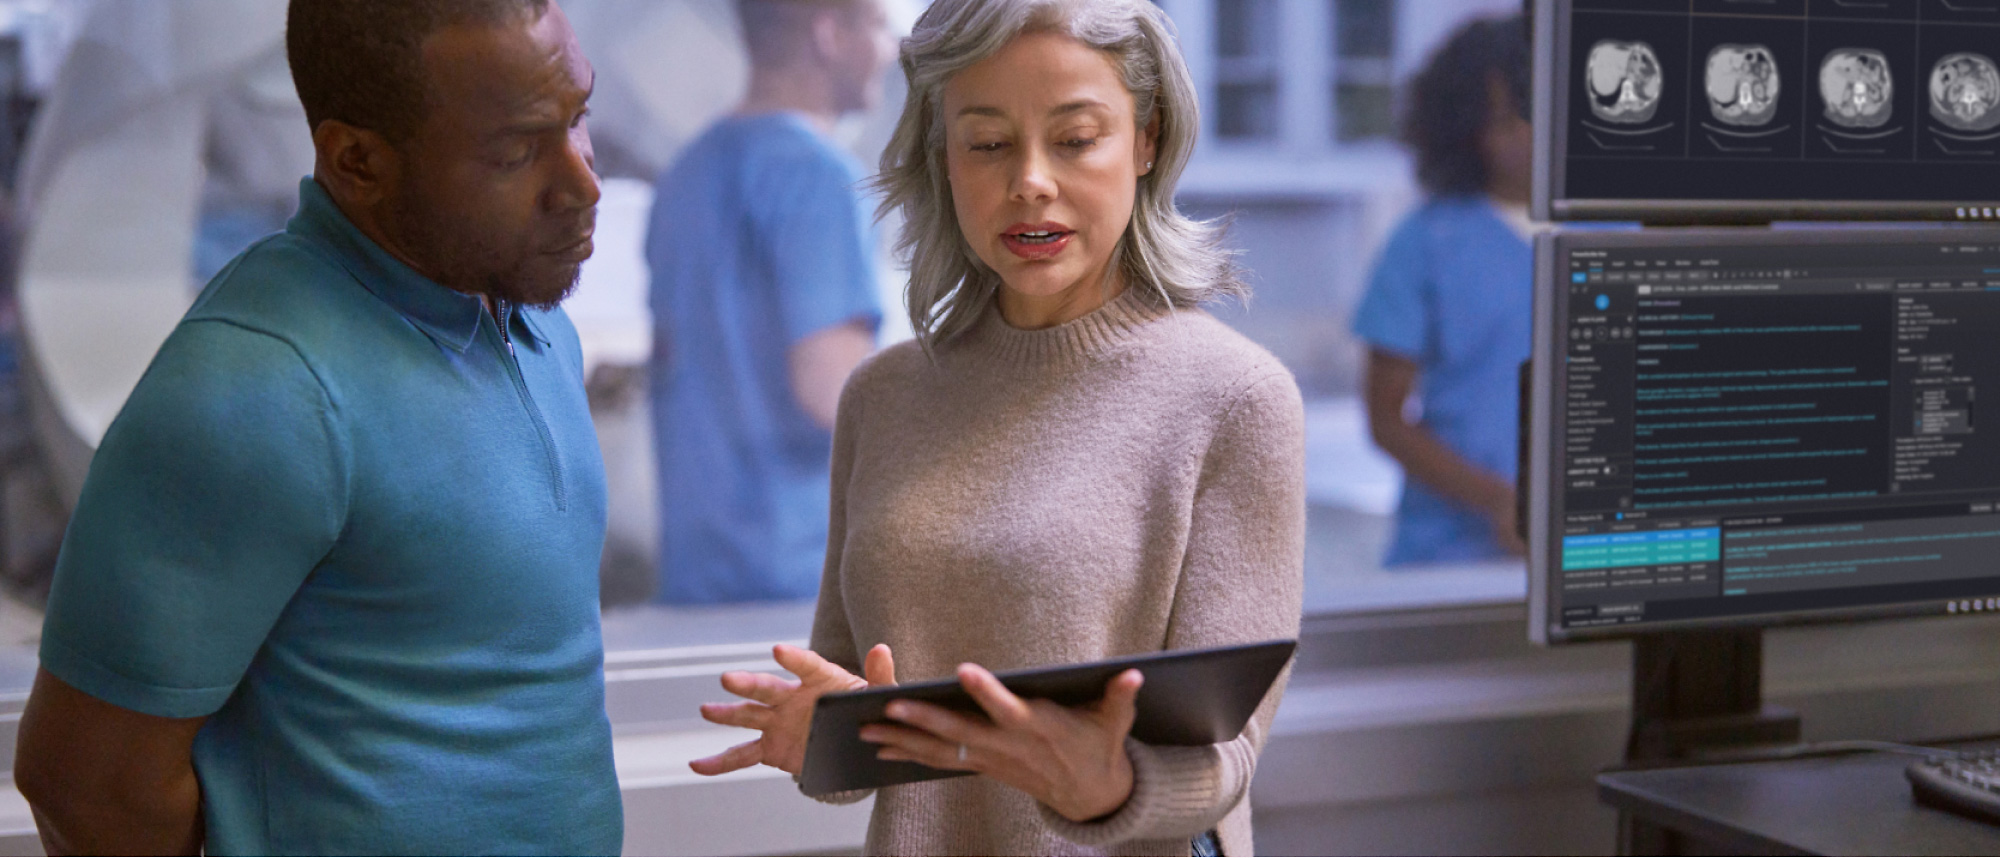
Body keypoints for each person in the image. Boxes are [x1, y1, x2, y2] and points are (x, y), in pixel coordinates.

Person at [690, 0, 1305, 854]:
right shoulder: (882, 396)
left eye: (1077, 137)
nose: (1030, 182)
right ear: (943, 157)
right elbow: (863, 711)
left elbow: (1228, 753)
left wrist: (1110, 784)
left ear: (1149, 139)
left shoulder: (1235, 397)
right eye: (986, 143)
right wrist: (821, 736)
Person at [12, 1, 620, 853]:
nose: (583, 180)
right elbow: (89, 787)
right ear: (357, 161)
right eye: (516, 150)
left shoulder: (525, 305)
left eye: (579, 118)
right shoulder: (255, 387)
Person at [646, 0, 896, 604]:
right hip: (797, 583)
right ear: (831, 34)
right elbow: (832, 394)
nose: (891, 51)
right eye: (881, 27)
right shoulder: (821, 178)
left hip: (697, 578)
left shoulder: (684, 175)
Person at [1354, 16, 1536, 568]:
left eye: (1517, 117)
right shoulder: (1425, 244)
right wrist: (1499, 500)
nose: (1501, 139)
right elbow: (1385, 419)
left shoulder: (1614, 235)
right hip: (1449, 555)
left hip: (1586, 554)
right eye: (1490, 121)